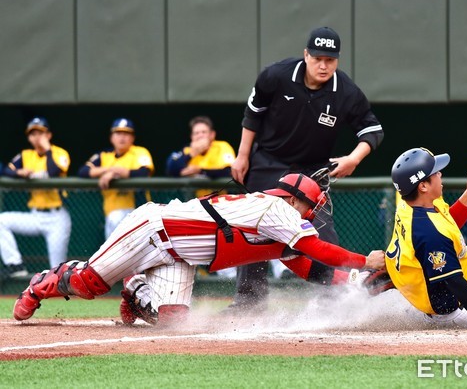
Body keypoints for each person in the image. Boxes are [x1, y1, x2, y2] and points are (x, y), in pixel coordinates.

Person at [13, 173, 385, 326]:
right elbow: (318, 250)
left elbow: (310, 267)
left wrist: (358, 283)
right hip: (151, 229)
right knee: (86, 284)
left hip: (179, 255)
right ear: (292, 198)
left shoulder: (283, 227)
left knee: (174, 321)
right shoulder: (276, 209)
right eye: (310, 205)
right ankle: (41, 284)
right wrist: (364, 261)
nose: (312, 213)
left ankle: (135, 288)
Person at [229, 26, 384, 311]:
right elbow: (253, 112)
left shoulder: (346, 92)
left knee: (322, 234)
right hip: (268, 161)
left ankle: (333, 302)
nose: (323, 65)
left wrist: (354, 158)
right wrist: (242, 155)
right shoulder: (275, 75)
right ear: (306, 55)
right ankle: (249, 302)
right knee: (252, 230)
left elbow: (373, 130)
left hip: (311, 171)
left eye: (330, 60)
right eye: (317, 58)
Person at [381, 147, 467, 331]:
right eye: (435, 172)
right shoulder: (427, 232)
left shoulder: (413, 199)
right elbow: (455, 284)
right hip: (449, 304)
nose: (440, 173)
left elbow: (448, 222)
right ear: (423, 186)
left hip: (459, 266)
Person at [166, 115, 237, 278]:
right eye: (196, 133)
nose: (200, 136)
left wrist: (200, 171)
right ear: (191, 137)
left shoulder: (221, 147)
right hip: (195, 210)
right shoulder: (188, 152)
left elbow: (228, 171)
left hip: (221, 209)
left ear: (212, 135)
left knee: (225, 252)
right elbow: (171, 169)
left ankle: (230, 285)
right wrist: (192, 153)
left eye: (203, 132)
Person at [0, 117, 71, 278]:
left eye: (40, 132)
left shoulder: (59, 153)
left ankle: (62, 296)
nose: (36, 137)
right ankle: (15, 264)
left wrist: (47, 149)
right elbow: (5, 171)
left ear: (49, 135)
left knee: (57, 272)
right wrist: (19, 173)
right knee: (1, 220)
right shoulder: (26, 155)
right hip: (35, 216)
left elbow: (53, 171)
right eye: (33, 133)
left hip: (57, 218)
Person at [78, 118, 154, 239]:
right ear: (111, 137)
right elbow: (83, 171)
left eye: (126, 133)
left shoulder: (139, 152)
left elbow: (144, 172)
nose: (122, 137)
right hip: (111, 213)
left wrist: (114, 173)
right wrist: (110, 170)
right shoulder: (104, 155)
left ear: (132, 138)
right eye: (118, 133)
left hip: (139, 212)